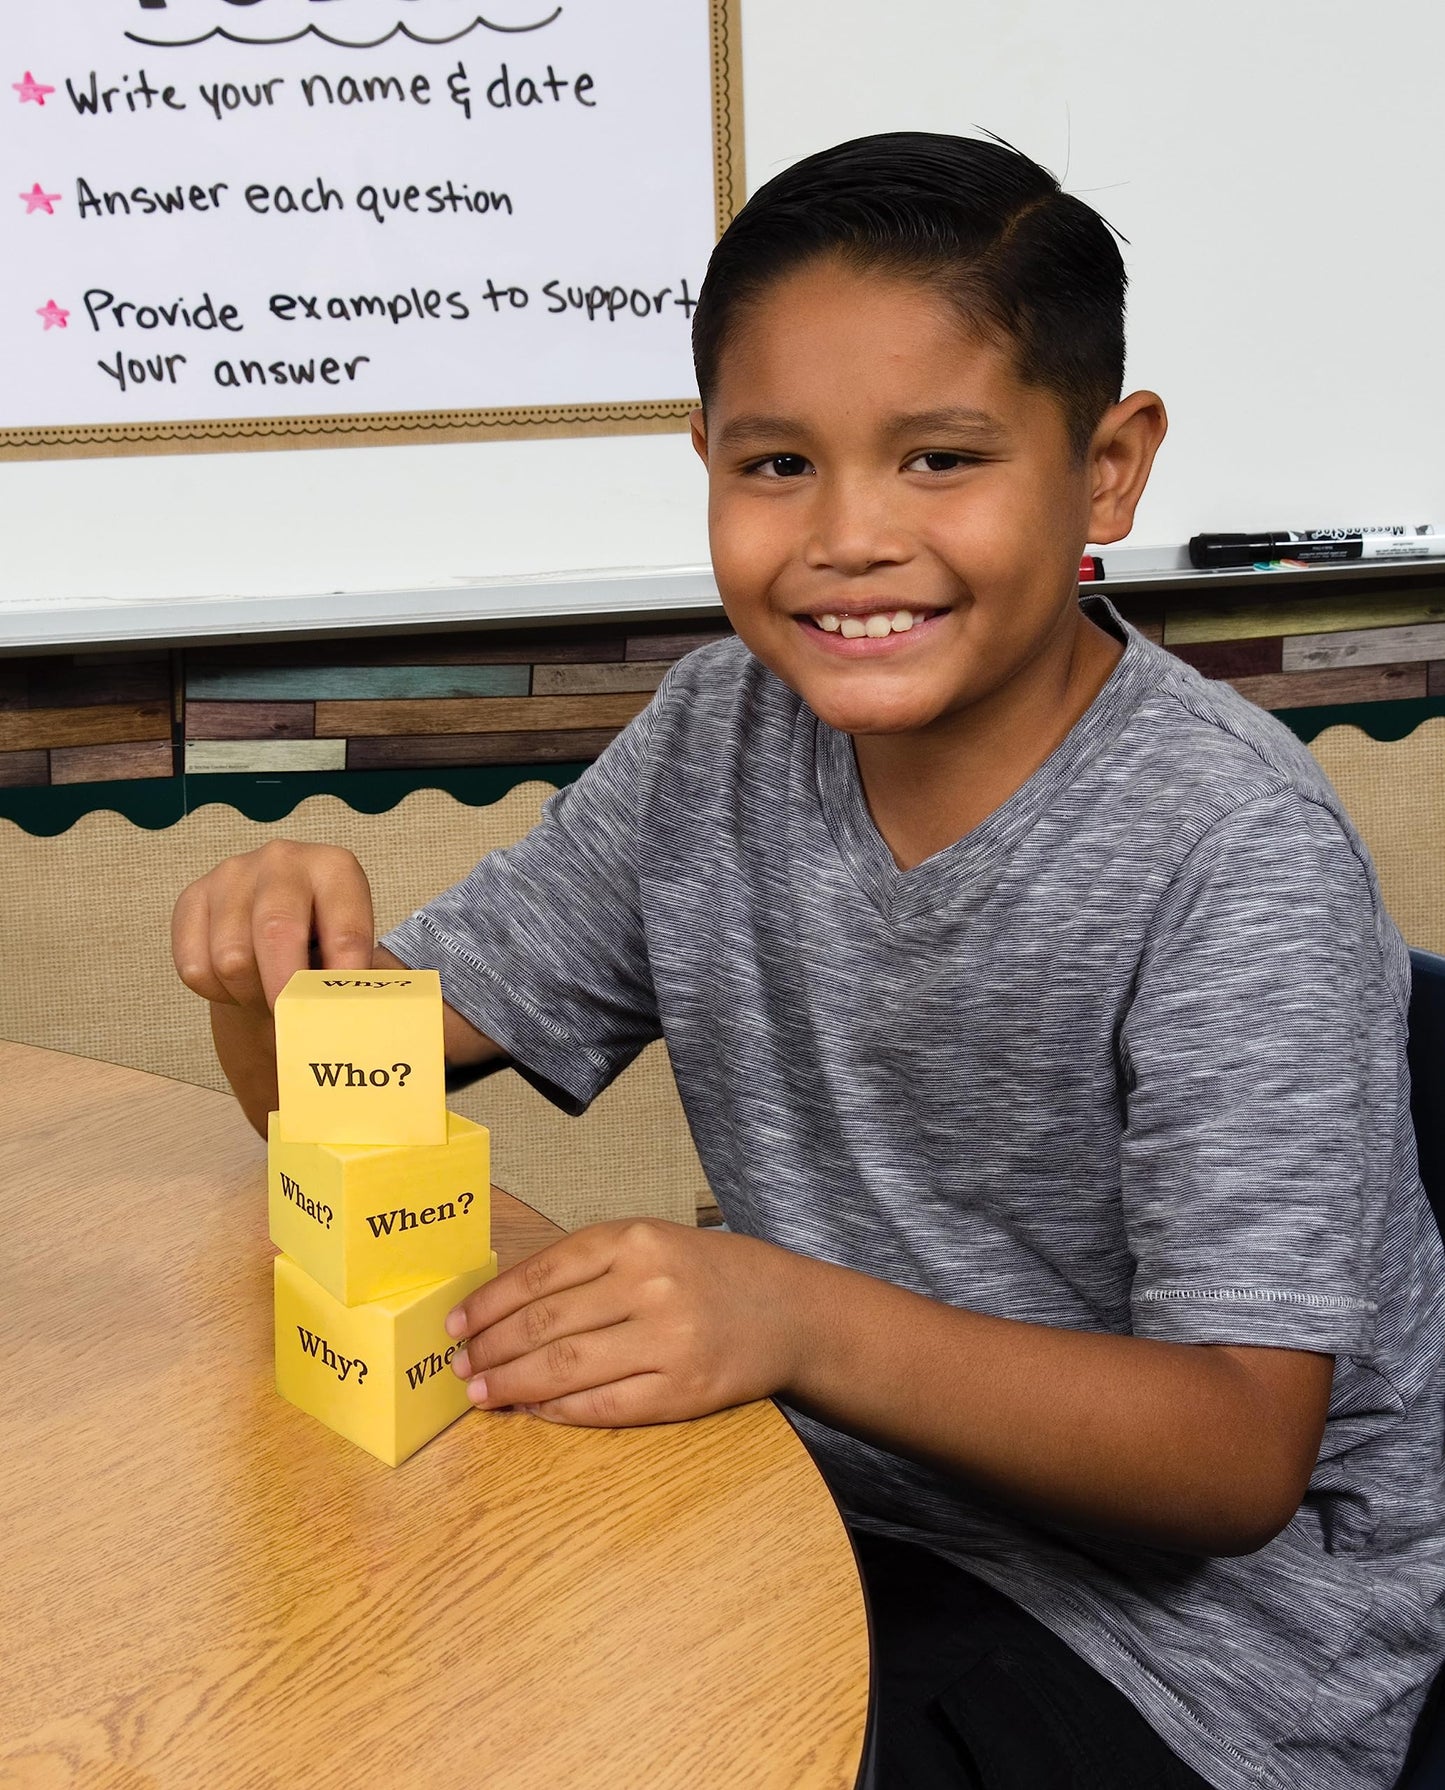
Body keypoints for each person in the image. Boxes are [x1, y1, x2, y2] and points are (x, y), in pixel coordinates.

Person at [172, 132, 1445, 1790]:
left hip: (1189, 1653)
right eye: (775, 467)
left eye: (939, 459)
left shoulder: (1231, 846)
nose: (848, 536)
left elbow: (1232, 1453)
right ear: (702, 456)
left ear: (1108, 467)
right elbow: (349, 1088)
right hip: (816, 1508)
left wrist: (784, 1315)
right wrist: (277, 968)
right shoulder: (715, 733)